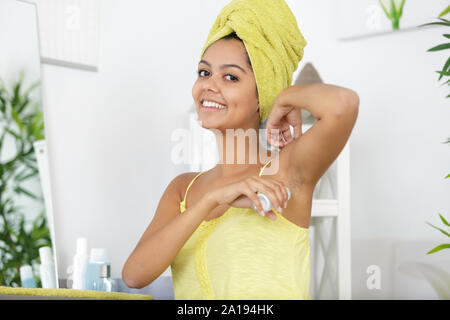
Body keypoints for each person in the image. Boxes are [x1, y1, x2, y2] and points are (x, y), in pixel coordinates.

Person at [122, 0, 359, 299]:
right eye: (204, 72)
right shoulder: (183, 189)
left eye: (230, 77)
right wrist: (209, 200)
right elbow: (134, 275)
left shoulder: (285, 171)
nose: (209, 85)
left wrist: (286, 97)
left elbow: (343, 104)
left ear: (262, 94)